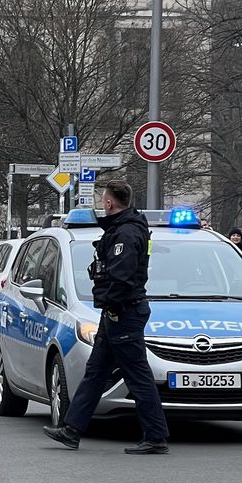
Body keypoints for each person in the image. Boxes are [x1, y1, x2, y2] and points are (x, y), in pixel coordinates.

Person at [44, 180, 170, 455]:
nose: (102, 203)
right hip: (118, 313)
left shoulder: (126, 233)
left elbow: (122, 279)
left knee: (137, 376)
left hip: (122, 312)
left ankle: (156, 436)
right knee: (96, 373)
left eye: (103, 199)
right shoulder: (127, 227)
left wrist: (112, 307)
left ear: (110, 203)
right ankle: (71, 430)